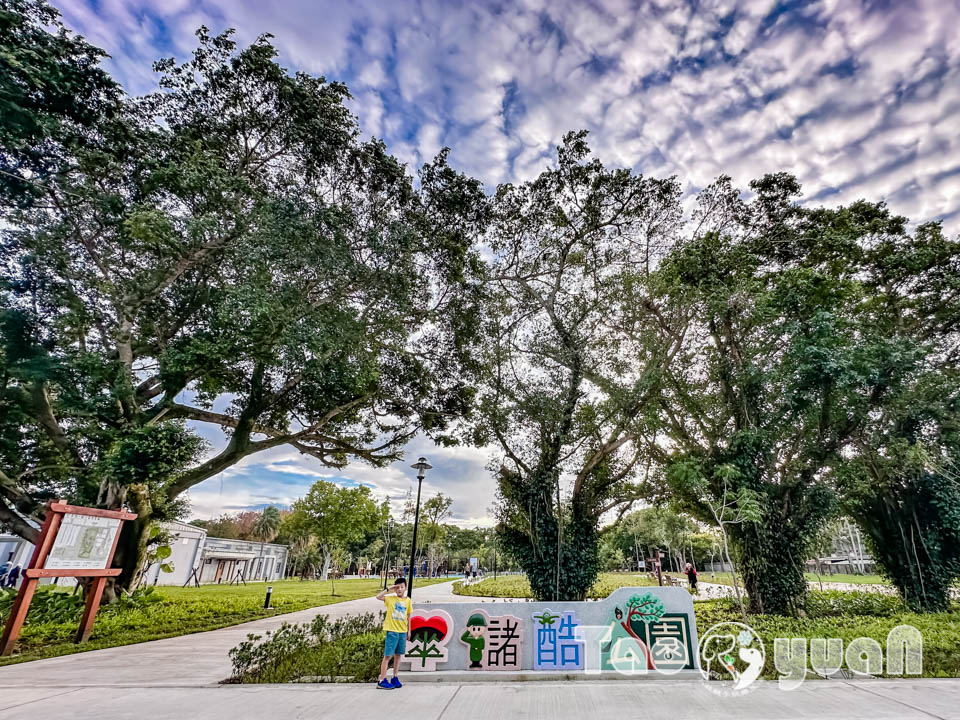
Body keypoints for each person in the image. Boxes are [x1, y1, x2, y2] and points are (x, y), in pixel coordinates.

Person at [375, 578, 412, 689]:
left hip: (402, 632)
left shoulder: (408, 601)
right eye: (397, 587)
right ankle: (382, 679)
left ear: (405, 588)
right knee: (387, 655)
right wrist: (390, 588)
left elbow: (409, 616)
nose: (399, 589)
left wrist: (409, 630)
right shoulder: (391, 599)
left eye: (402, 587)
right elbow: (378, 597)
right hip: (392, 631)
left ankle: (395, 677)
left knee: (398, 655)